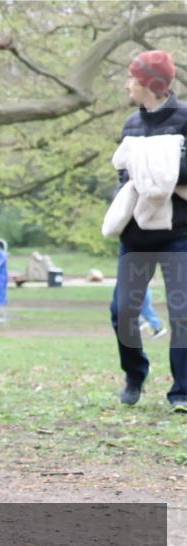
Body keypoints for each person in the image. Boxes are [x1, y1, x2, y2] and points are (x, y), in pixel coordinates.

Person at [109, 50, 186, 413]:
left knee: (182, 313)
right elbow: (124, 178)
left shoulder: (185, 120)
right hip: (136, 236)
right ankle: (135, 374)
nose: (127, 85)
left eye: (132, 79)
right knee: (123, 310)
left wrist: (158, 169)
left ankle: (182, 392)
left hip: (179, 235)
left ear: (149, 85)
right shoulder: (131, 124)